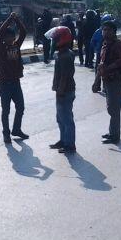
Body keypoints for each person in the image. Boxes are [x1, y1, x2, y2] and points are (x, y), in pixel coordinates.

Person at [0, 12, 28, 144]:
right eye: (8, 36)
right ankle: (6, 133)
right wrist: (9, 19)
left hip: (16, 82)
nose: (11, 38)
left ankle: (16, 129)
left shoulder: (16, 46)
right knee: (6, 111)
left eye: (12, 36)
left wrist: (17, 19)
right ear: (4, 38)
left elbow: (24, 33)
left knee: (20, 107)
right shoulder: (1, 47)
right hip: (5, 84)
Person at [94, 20, 121, 145]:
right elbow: (101, 64)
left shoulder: (119, 45)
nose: (105, 32)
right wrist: (97, 80)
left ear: (114, 31)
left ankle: (115, 135)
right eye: (104, 30)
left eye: (108, 30)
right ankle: (112, 131)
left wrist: (108, 68)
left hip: (116, 79)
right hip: (107, 79)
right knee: (110, 107)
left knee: (114, 109)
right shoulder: (105, 45)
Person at [48, 26, 76, 154]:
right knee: (60, 117)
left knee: (66, 118)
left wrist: (60, 90)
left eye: (56, 39)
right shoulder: (62, 53)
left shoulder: (65, 56)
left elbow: (65, 76)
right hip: (62, 90)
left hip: (65, 91)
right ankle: (63, 140)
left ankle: (69, 144)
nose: (53, 41)